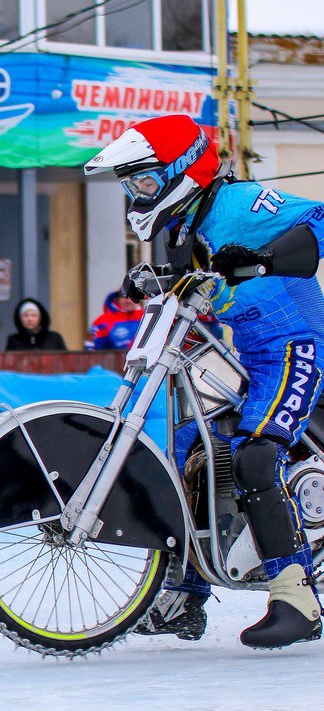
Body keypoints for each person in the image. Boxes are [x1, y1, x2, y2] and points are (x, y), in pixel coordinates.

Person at [86, 113, 324, 648]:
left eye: (144, 180)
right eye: (130, 184)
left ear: (183, 168)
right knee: (190, 453)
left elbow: (321, 221)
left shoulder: (239, 206)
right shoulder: (178, 231)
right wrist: (154, 285)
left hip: (297, 346)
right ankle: (185, 597)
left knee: (255, 458)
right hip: (248, 355)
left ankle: (296, 599)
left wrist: (265, 258)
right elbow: (191, 291)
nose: (137, 192)